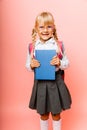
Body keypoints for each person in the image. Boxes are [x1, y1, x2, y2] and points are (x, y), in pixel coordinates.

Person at [25, 11, 72, 130]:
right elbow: (27, 66)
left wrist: (59, 63)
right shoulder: (33, 46)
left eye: (49, 26)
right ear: (36, 29)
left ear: (53, 28)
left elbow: (67, 64)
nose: (45, 30)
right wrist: (31, 65)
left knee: (56, 113)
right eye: (41, 27)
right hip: (40, 84)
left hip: (56, 83)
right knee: (43, 113)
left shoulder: (58, 45)